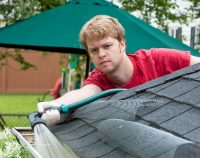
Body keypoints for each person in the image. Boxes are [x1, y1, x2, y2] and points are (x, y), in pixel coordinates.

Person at [38, 15, 200, 126]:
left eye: (107, 46)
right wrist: (55, 104)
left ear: (122, 44)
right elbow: (84, 93)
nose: (101, 54)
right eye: (94, 50)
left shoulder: (157, 59)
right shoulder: (99, 80)